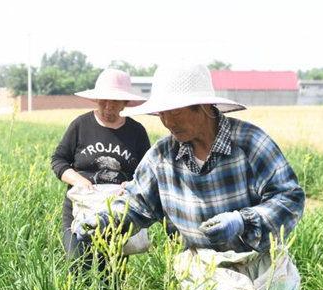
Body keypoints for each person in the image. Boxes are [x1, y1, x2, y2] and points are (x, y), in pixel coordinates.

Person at [75, 61, 305, 253]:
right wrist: (104, 220)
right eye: (162, 114)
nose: (169, 122)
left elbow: (289, 198)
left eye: (176, 112)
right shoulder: (162, 156)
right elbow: (137, 204)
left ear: (203, 106)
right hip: (195, 276)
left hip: (256, 276)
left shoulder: (250, 143)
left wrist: (243, 221)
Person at [51, 68, 150, 272]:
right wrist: (79, 180)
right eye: (103, 101)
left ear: (125, 103)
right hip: (81, 208)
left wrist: (131, 184)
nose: (108, 107)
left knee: (112, 275)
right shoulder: (81, 125)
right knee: (78, 266)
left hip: (119, 212)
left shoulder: (137, 132)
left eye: (115, 102)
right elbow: (59, 160)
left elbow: (147, 172)